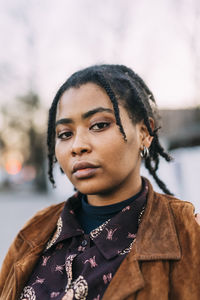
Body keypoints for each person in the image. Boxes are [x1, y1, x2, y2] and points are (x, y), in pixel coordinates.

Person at [0, 64, 200, 300]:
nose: (77, 146)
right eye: (65, 134)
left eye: (99, 125)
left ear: (145, 133)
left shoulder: (186, 236)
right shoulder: (34, 232)